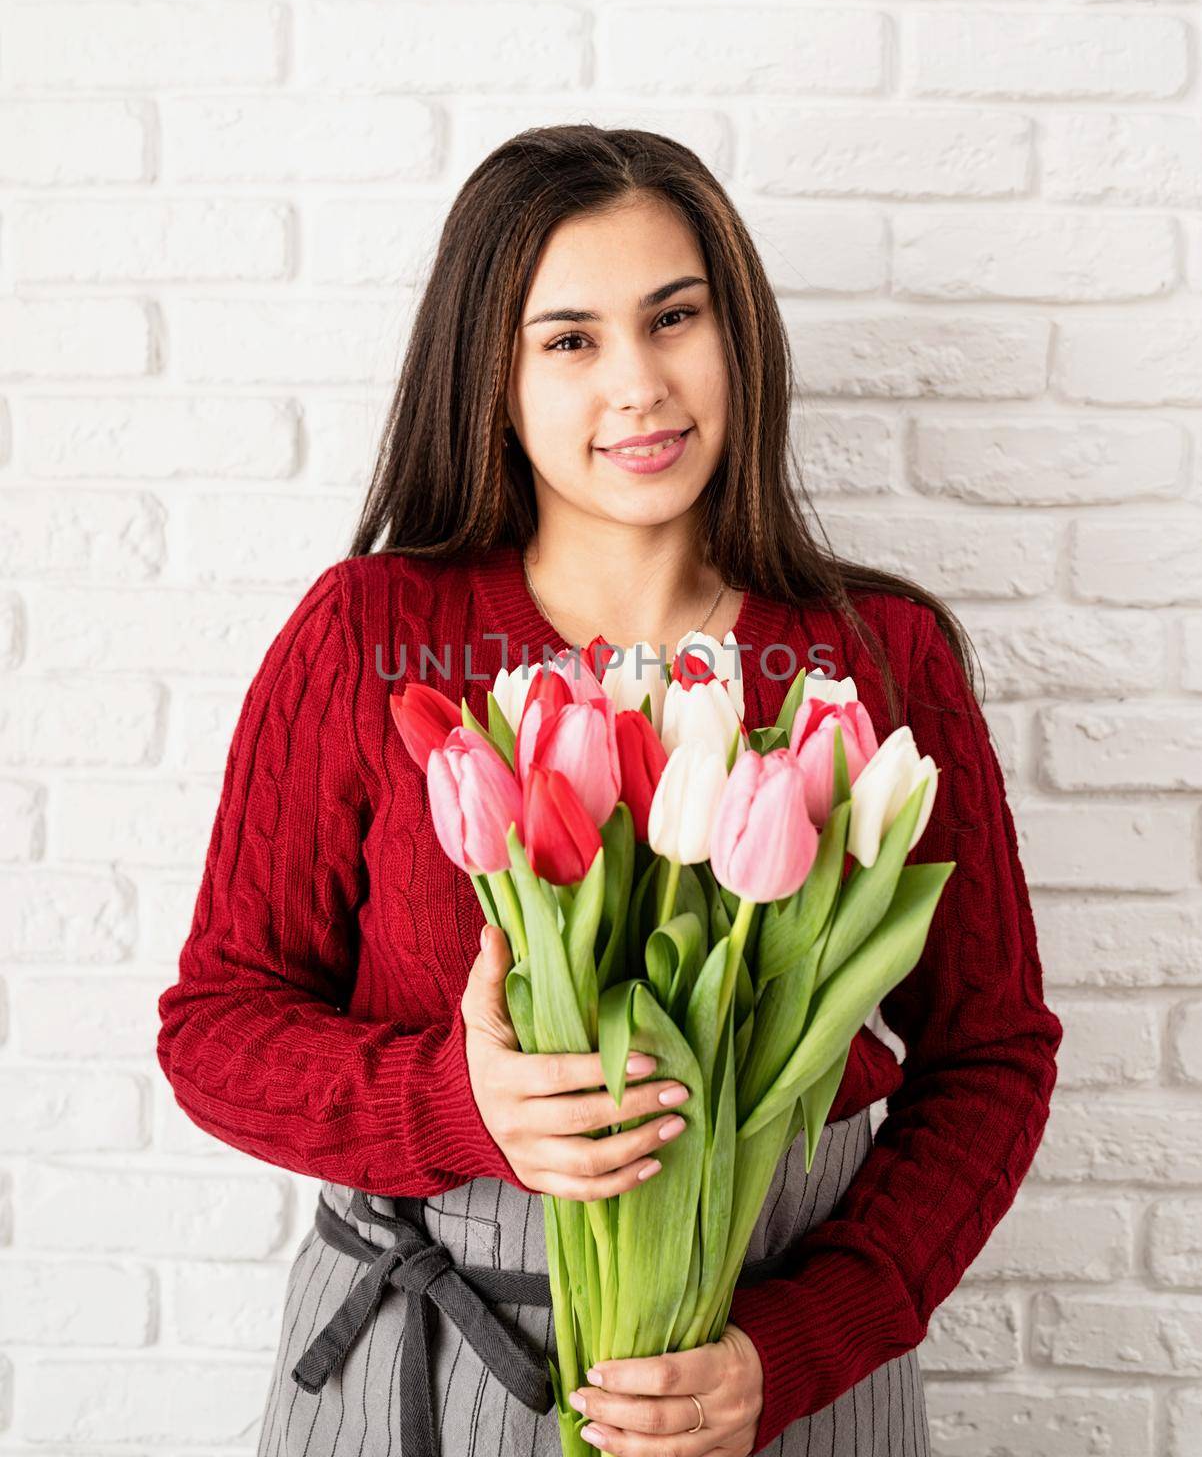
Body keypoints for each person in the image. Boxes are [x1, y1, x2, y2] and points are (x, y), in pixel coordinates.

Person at [157, 124, 1062, 1456]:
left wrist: (806, 1340)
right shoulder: (370, 636)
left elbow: (990, 1053)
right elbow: (214, 1028)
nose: (640, 384)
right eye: (570, 340)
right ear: (494, 376)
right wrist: (456, 1103)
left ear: (735, 333)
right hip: (431, 1357)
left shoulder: (874, 658)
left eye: (675, 318)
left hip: (772, 1375)